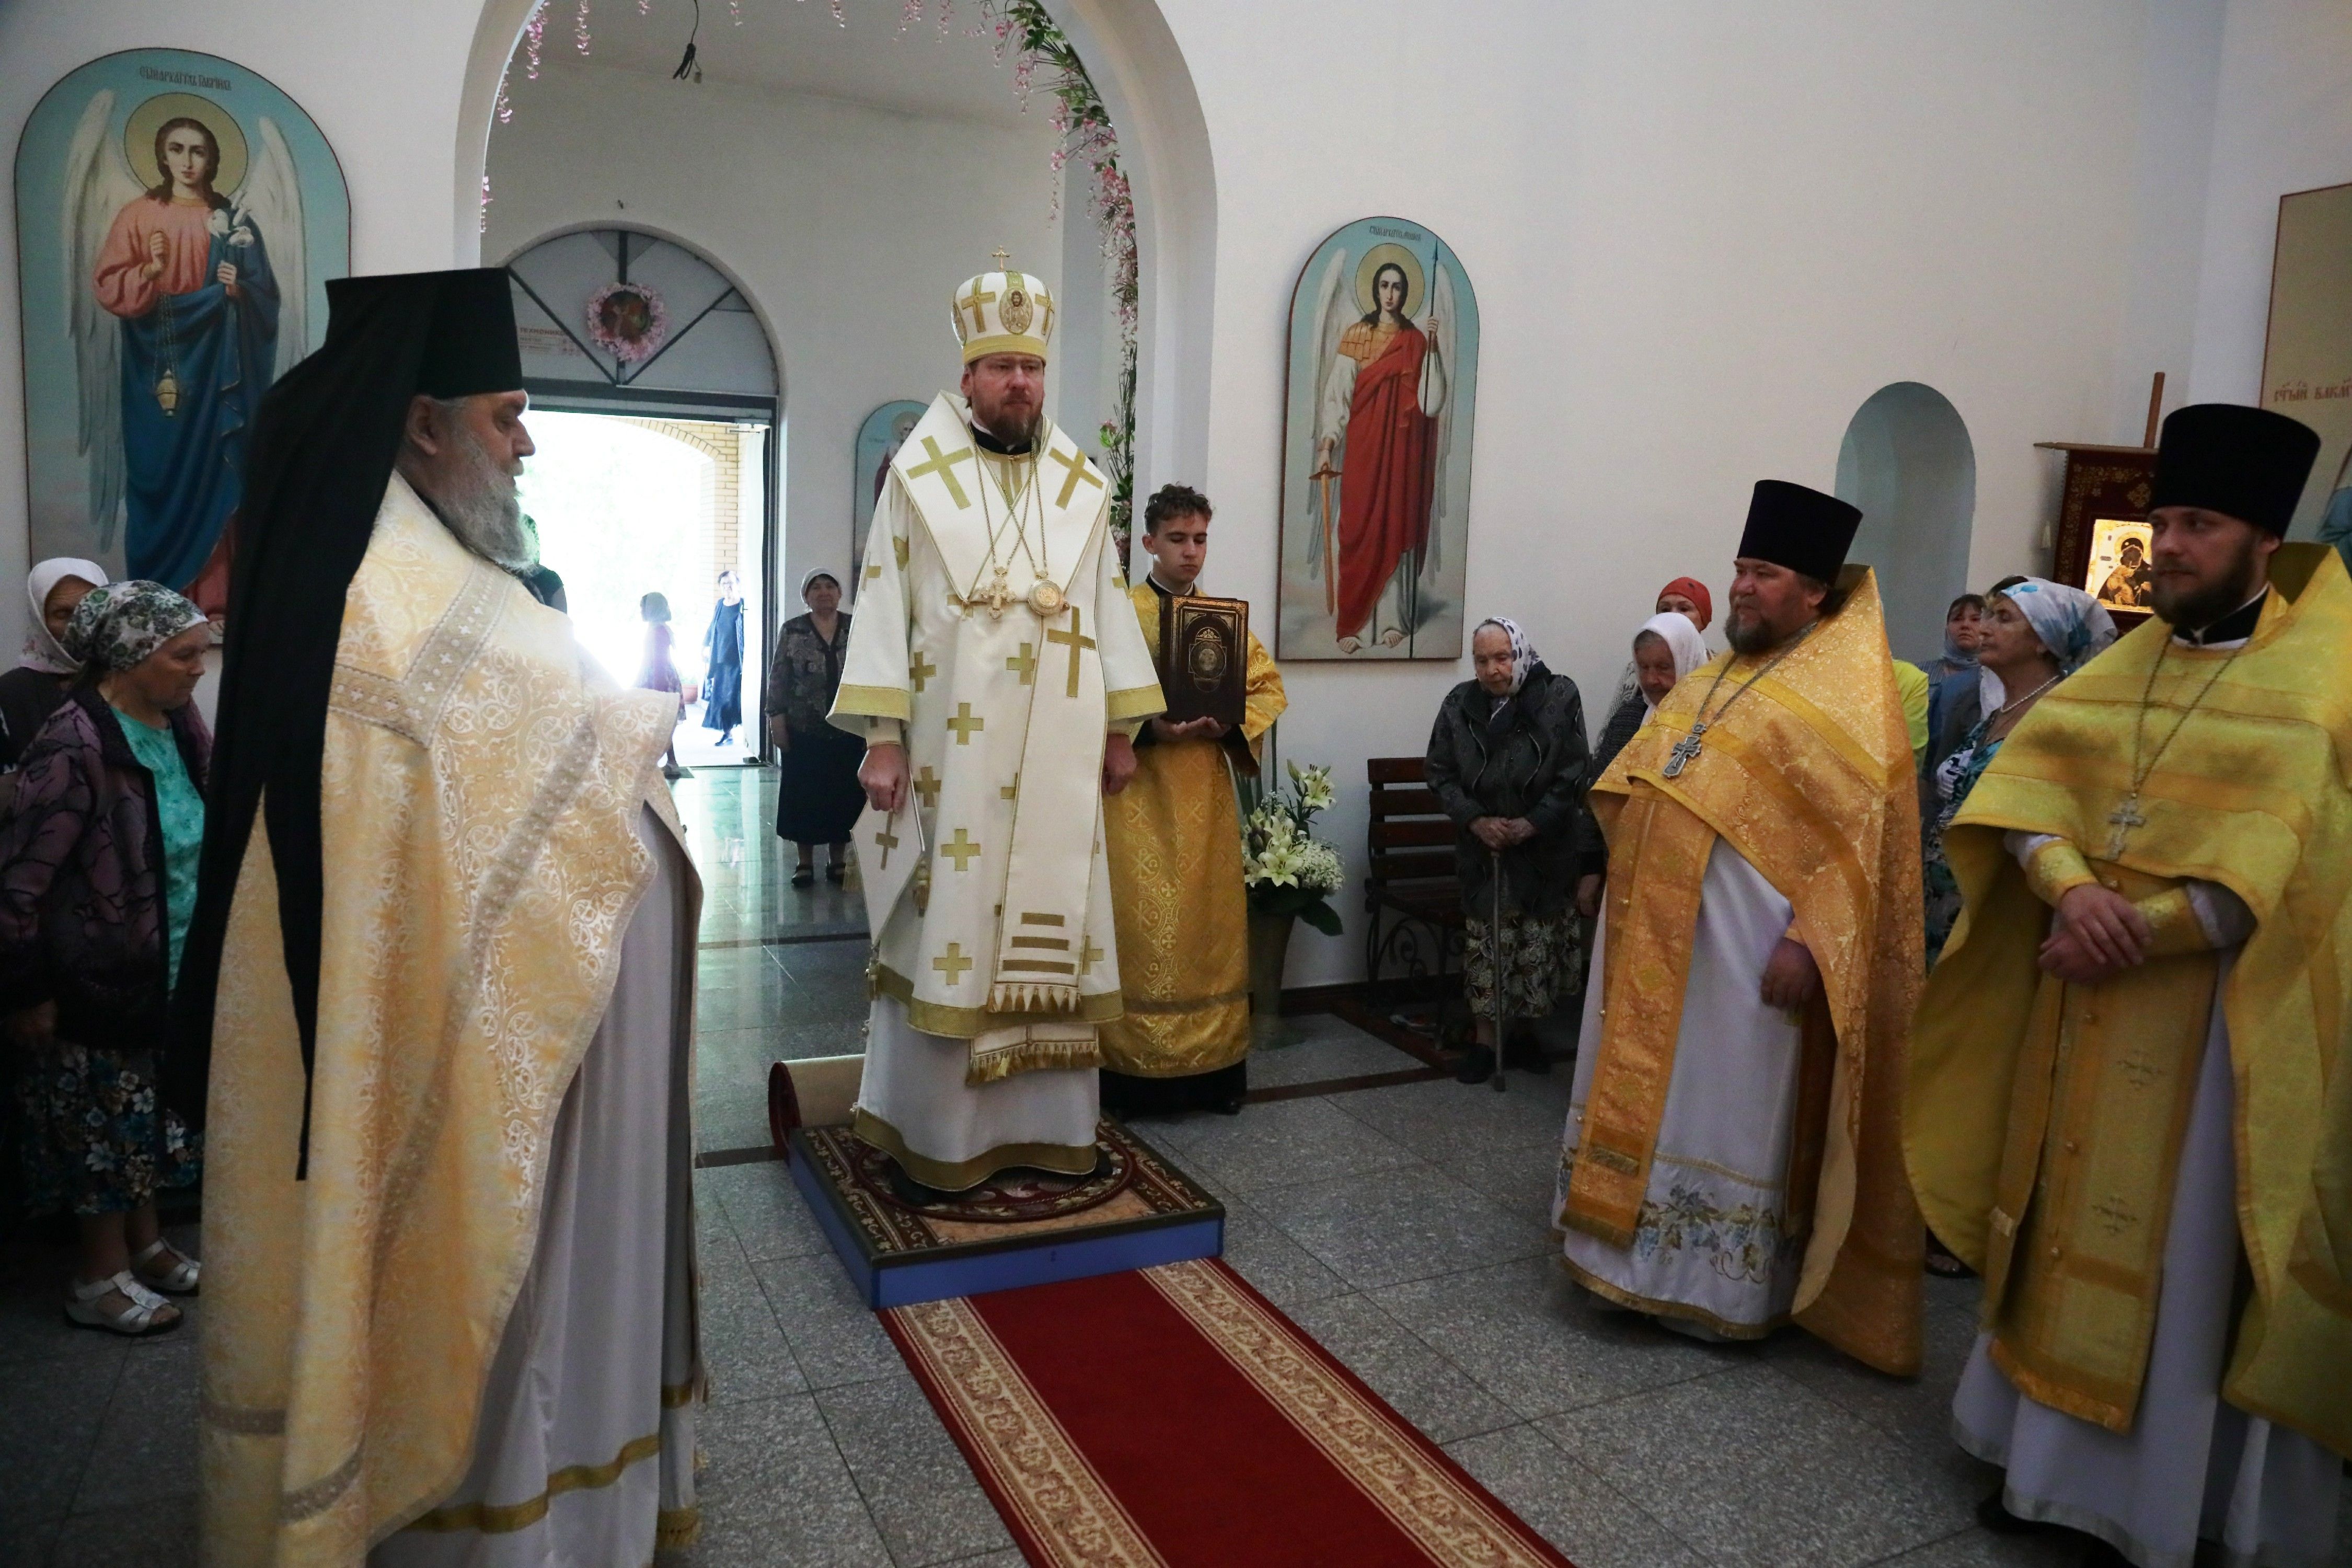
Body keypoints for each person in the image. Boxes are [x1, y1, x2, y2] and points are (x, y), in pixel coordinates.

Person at [183, 269, 702, 1565]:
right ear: (423, 425)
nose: (527, 445)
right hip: (478, 1060)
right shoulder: (383, 600)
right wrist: (628, 735)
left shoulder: (412, 565)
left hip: (544, 1064)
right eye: (507, 415)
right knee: (511, 1308)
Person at [1910, 403, 2350, 1568]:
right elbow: (2024, 797)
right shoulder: (2124, 665)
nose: (2172, 545)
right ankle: (2042, 1469)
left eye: (2201, 524)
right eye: (2165, 522)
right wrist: (2068, 889)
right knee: (2061, 1221)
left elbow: (2305, 861)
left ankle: (2166, 1504)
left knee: (2185, 1256)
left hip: (2217, 1030)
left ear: (2266, 539)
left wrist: (2134, 930)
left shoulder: (2321, 679)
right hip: (2081, 996)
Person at [1555, 480, 1923, 1371]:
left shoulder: (1850, 699)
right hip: (1655, 944)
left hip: (1747, 960)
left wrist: (1807, 940)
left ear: (1816, 592)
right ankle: (1618, 1260)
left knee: (1724, 1110)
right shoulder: (1715, 676)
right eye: (1741, 569)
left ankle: (1713, 1290)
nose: (1744, 587)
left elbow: (1863, 845)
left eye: (1765, 573)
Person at [829, 257, 1161, 1196]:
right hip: (953, 753)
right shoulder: (918, 478)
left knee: (1056, 928)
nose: (1021, 382)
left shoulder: (1080, 486)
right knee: (950, 924)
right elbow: (884, 601)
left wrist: (1121, 728)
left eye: (1033, 367)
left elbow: (1105, 607)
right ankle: (935, 1132)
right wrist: (883, 736)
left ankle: (1050, 1130)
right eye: (1004, 367)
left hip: (1061, 746)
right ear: (968, 376)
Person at [0, 582, 210, 1334]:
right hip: (94, 978)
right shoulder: (74, 742)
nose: (199, 668)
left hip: (165, 966)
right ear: (129, 655)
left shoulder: (178, 723)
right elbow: (21, 881)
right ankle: (96, 1276)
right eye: (183, 655)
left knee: (147, 1121)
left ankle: (145, 1246)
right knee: (103, 1129)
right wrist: (25, 990)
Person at [1099, 484, 1286, 1116]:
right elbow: (1092, 693)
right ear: (1149, 542)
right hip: (1138, 796)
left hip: (1204, 792)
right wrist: (1150, 730)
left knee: (1208, 933)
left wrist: (1228, 722)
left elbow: (1266, 687)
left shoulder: (1221, 619)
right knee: (1143, 930)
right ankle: (1133, 1076)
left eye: (1200, 539)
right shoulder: (1120, 615)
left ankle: (1214, 1075)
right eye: (1177, 539)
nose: (1191, 552)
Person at [90, 114, 284, 592]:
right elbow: (110, 286)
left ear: (212, 159)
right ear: (162, 155)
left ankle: (216, 600)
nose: (187, 161)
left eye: (198, 151)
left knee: (218, 471)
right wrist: (149, 271)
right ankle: (161, 596)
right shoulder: (139, 215)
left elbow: (266, 297)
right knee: (159, 473)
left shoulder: (235, 220)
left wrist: (239, 291)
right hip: (157, 368)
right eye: (177, 149)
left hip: (220, 372)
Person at [1426, 617, 1593, 1084]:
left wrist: (1532, 822)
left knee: (1534, 946)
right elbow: (1439, 772)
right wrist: (1477, 820)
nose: (1492, 670)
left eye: (1502, 658)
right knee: (1487, 946)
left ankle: (1523, 1035)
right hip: (1483, 853)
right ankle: (1485, 1043)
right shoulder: (1459, 703)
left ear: (1521, 653)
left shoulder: (1560, 695)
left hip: (1544, 851)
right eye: (1481, 661)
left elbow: (1574, 771)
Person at [1921, 579, 2113, 966]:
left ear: (2044, 639)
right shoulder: (1998, 713)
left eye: (2003, 618)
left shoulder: (2059, 721)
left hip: (1998, 902)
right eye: (1988, 615)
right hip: (1943, 895)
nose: (1984, 628)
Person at [1315, 260, 1448, 652]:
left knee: (1395, 524)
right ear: (1375, 290)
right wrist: (1327, 445)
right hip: (1365, 449)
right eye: (1385, 285)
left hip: (1403, 455)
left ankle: (1392, 619)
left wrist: (1434, 347)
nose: (1391, 293)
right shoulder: (1358, 335)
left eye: (1398, 287)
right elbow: (1338, 393)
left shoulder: (1417, 341)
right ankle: (1353, 623)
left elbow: (1431, 402)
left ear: (1405, 293)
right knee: (1360, 526)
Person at [770, 569, 862, 886]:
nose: (824, 592)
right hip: (804, 729)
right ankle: (805, 862)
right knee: (804, 795)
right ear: (806, 596)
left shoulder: (855, 626)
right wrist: (777, 720)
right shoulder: (793, 630)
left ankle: (838, 860)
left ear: (839, 593)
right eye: (816, 587)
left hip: (848, 727)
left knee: (844, 795)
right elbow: (779, 677)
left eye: (829, 586)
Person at [1594, 577, 1714, 772]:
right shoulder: (1628, 719)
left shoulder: (1719, 695)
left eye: (1664, 667)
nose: (1651, 680)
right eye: (1665, 610)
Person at [0, 558, 109, 769]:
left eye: (90, 611)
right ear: (40, 619)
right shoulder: (10, 693)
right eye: (63, 614)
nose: (79, 624)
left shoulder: (132, 681)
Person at [1923, 592, 1986, 759]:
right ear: (1947, 628)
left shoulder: (1995, 681)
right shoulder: (1920, 675)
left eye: (1976, 619)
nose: (1965, 625)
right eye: (1957, 619)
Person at [638, 590, 684, 778]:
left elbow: (659, 662)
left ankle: (668, 762)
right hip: (656, 678)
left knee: (659, 723)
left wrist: (659, 691)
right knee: (660, 724)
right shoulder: (657, 629)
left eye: (643, 607)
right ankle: (670, 761)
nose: (641, 611)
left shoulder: (658, 632)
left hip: (659, 680)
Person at [702, 569, 745, 747]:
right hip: (720, 658)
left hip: (737, 660)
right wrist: (706, 644)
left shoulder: (743, 605)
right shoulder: (720, 604)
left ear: (738, 585)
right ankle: (727, 733)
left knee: (732, 698)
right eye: (724, 584)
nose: (728, 587)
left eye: (731, 583)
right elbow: (714, 625)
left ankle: (740, 733)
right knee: (721, 697)